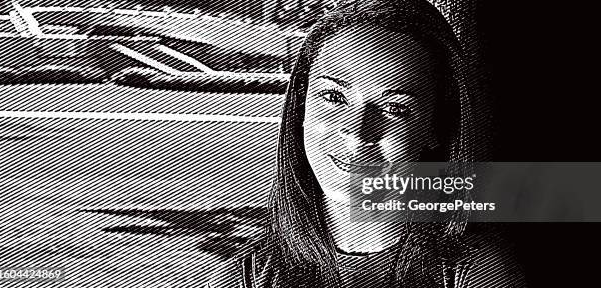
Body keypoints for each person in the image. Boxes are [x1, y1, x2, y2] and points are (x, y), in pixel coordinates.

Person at [207, 0, 524, 287]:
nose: (357, 131)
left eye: (395, 109)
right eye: (334, 97)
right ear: (301, 108)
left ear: (435, 128)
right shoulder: (247, 274)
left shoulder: (478, 271)